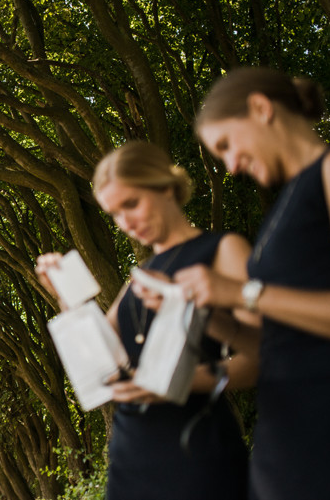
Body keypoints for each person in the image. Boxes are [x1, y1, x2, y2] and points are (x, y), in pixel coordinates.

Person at [35, 141, 258, 500]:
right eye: (115, 214)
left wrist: (173, 382)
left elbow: (258, 361)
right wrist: (65, 296)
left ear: (165, 187)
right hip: (131, 453)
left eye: (132, 204)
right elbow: (99, 357)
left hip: (196, 449)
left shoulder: (224, 249)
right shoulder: (139, 276)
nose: (127, 222)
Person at [186, 66, 330, 499]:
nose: (231, 166)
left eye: (227, 145)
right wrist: (220, 322)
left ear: (259, 108)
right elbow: (283, 344)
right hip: (285, 444)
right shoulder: (283, 207)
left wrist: (242, 292)